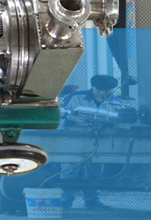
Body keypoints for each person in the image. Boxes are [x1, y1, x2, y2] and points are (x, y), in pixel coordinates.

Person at [57, 74, 132, 209]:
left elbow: (119, 122)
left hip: (99, 141)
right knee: (69, 170)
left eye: (106, 90)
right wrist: (77, 119)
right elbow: (59, 111)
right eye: (99, 90)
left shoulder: (116, 103)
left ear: (112, 89)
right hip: (74, 139)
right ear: (93, 86)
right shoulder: (76, 97)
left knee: (95, 171)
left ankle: (92, 201)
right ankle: (65, 201)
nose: (102, 93)